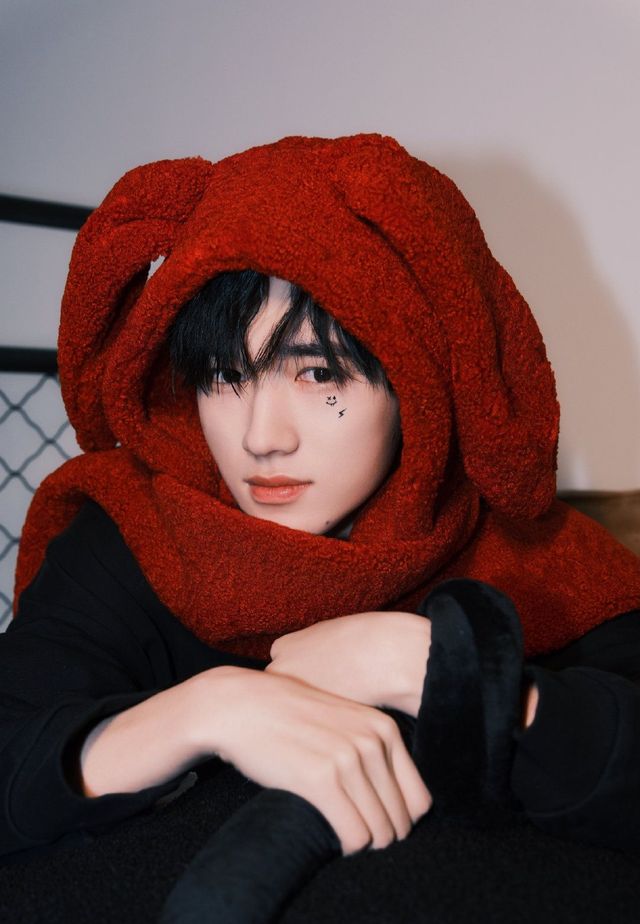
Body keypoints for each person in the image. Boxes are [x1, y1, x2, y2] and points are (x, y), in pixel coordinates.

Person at [2, 134, 640, 907]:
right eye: (225, 375)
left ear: (415, 382)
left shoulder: (536, 557)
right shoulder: (134, 534)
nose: (260, 436)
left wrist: (438, 670)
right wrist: (205, 711)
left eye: (317, 373)